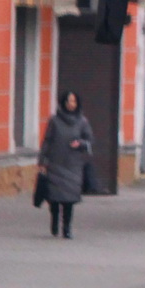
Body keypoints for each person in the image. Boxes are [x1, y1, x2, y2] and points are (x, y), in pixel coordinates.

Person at [38, 90, 93, 239]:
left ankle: (67, 228)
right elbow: (47, 141)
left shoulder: (82, 122)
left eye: (74, 101)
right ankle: (55, 221)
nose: (71, 104)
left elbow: (89, 140)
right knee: (54, 198)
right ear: (63, 102)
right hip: (56, 163)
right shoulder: (54, 121)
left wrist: (80, 143)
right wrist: (42, 161)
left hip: (73, 165)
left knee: (69, 200)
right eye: (69, 101)